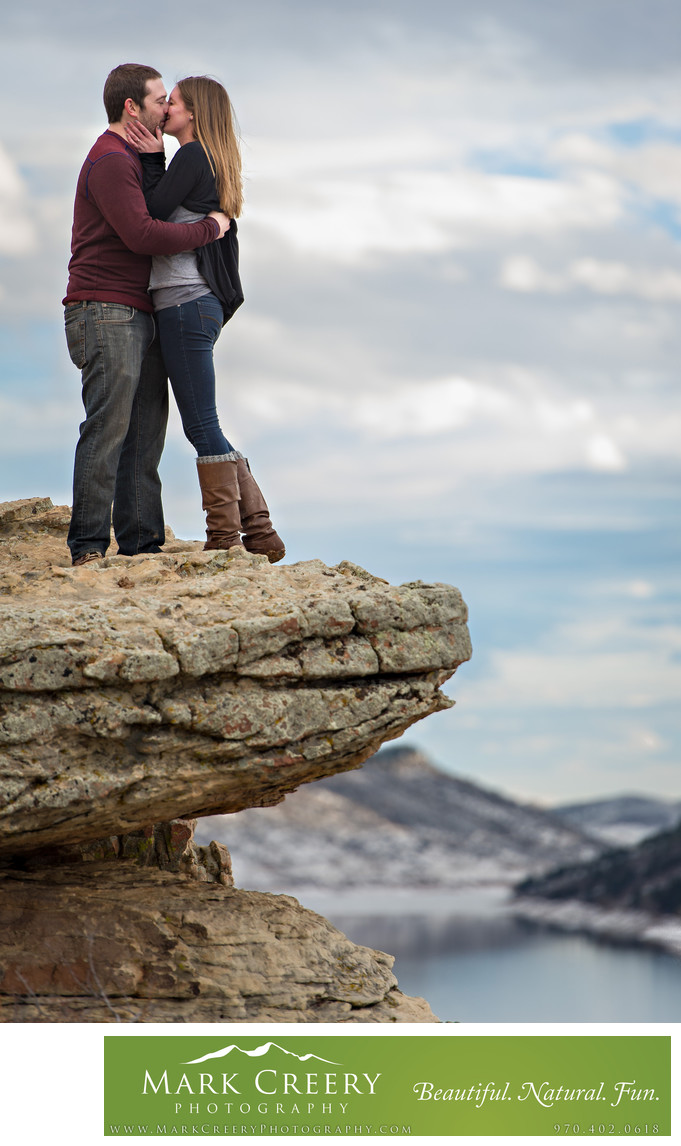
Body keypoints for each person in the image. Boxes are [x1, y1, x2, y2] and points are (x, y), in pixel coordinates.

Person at [63, 63, 231, 567]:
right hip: (104, 307)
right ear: (132, 107)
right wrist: (211, 229)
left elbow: (155, 210)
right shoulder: (111, 159)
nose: (167, 107)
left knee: (145, 431)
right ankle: (89, 548)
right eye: (161, 99)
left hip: (138, 308)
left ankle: (142, 545)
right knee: (109, 426)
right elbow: (143, 234)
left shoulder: (136, 158)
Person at [124, 75, 285, 563]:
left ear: (193, 112)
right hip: (195, 304)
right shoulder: (206, 159)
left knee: (202, 425)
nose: (165, 109)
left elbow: (147, 212)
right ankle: (258, 532)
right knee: (204, 422)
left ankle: (227, 538)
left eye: (171, 102)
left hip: (184, 302)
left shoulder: (192, 156)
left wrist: (151, 159)